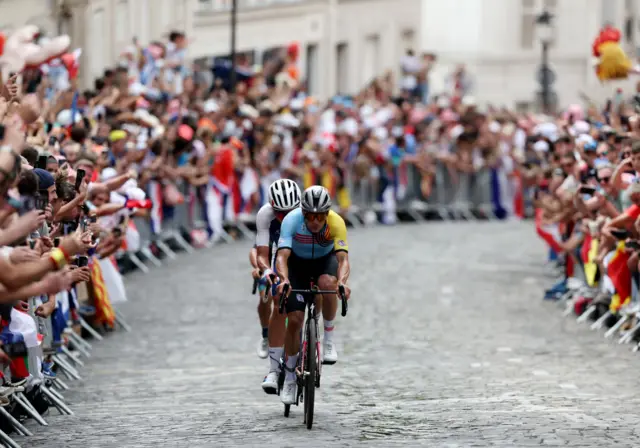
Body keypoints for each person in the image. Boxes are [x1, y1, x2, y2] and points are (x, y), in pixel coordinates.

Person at [274, 185, 351, 405]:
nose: (315, 222)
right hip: (297, 264)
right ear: (303, 213)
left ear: (327, 214)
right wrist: (285, 280)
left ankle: (328, 339)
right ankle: (289, 379)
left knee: (328, 283)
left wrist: (343, 283)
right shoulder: (291, 220)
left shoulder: (336, 222)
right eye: (310, 217)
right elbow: (282, 257)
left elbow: (343, 260)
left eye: (320, 217)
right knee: (295, 320)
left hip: (324, 262)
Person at [251, 179, 301, 394]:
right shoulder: (265, 215)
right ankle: (272, 365)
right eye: (280, 213)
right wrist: (266, 271)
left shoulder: (306, 212)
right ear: (272, 206)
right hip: (275, 257)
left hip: (302, 256)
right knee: (275, 299)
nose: (285, 217)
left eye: (290, 211)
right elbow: (261, 253)